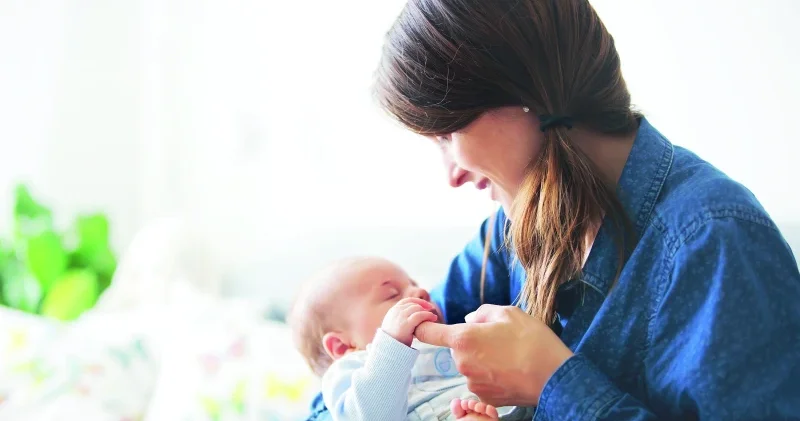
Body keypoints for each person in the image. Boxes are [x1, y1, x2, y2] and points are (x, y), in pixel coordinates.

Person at [304, 0, 800, 419]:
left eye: (446, 135)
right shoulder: (509, 229)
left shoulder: (713, 241)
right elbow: (358, 373)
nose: (452, 174)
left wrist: (552, 382)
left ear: (524, 95)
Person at [288, 256, 534, 421]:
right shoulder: (351, 370)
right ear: (343, 346)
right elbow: (370, 416)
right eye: (392, 295)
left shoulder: (447, 338)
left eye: (413, 284)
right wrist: (391, 345)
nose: (421, 291)